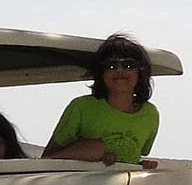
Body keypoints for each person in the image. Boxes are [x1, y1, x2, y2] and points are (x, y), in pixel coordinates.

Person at [45, 33, 160, 168]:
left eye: (128, 65)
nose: (119, 71)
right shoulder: (81, 107)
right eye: (111, 66)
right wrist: (92, 154)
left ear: (140, 73)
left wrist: (140, 165)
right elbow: (48, 158)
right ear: (100, 73)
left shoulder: (150, 114)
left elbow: (134, 156)